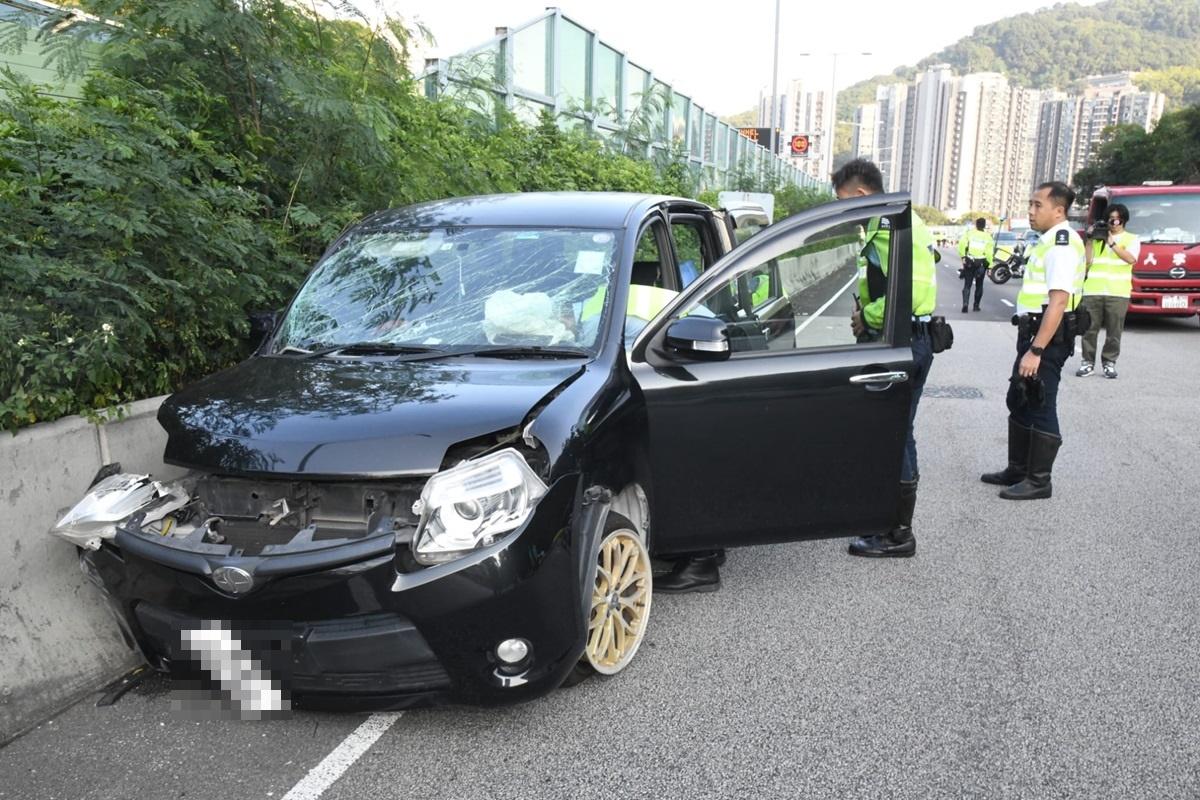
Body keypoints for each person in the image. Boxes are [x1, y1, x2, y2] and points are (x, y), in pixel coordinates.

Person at [833, 158, 938, 558]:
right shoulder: (887, 225)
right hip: (896, 336)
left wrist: (868, 316)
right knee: (887, 432)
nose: (843, 210)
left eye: (844, 201)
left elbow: (905, 294)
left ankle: (897, 534)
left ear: (862, 195)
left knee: (896, 434)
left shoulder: (898, 227)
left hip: (904, 338)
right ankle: (883, 519)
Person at [981, 182, 1085, 500]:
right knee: (1020, 398)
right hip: (1033, 333)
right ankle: (1018, 469)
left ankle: (1039, 481)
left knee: (1040, 402)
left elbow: (1058, 302)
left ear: (1059, 210)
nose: (1030, 210)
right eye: (1030, 203)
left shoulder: (1062, 245)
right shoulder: (1047, 241)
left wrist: (1036, 350)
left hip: (1047, 338)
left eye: (1038, 205)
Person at [1077, 203, 1139, 379]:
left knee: (1114, 332)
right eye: (1109, 219)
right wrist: (1089, 239)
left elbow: (1131, 259)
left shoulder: (1132, 239)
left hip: (1118, 293)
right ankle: (1087, 362)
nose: (1112, 223)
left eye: (1116, 219)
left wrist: (1111, 242)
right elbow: (1087, 262)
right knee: (1089, 329)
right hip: (1093, 290)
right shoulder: (1097, 239)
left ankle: (1109, 363)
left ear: (1124, 221)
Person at [956, 217, 994, 312]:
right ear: (984, 226)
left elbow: (961, 245)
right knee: (979, 285)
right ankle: (976, 306)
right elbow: (989, 253)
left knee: (967, 285)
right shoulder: (988, 237)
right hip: (981, 263)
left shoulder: (969, 234)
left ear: (976, 225)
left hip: (970, 262)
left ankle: (965, 304)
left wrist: (963, 257)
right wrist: (990, 266)